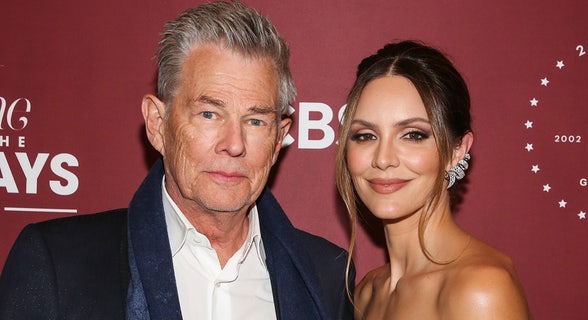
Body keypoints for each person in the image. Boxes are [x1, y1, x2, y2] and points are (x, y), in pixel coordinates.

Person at [0, 2, 353, 319]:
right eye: (209, 114)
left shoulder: (327, 278)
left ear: (278, 139)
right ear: (157, 124)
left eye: (256, 121)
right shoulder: (59, 264)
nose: (233, 145)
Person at [336, 40, 530, 319]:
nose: (383, 158)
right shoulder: (367, 293)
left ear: (457, 150)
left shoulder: (480, 290)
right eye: (365, 135)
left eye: (413, 135)